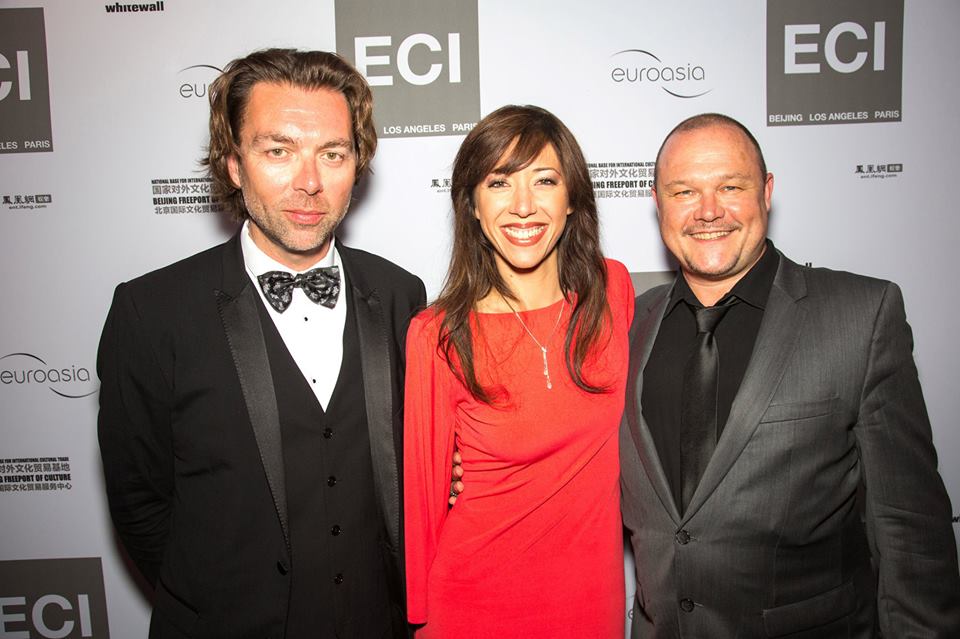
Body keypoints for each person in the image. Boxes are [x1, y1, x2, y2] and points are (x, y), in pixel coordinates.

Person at [97, 48, 425, 638]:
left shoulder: (401, 295)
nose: (308, 182)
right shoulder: (152, 312)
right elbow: (140, 505)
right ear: (233, 163)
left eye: (332, 153)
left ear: (358, 163)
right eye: (279, 151)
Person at [620, 113, 960, 637]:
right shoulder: (627, 326)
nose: (708, 211)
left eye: (730, 186)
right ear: (658, 202)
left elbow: (911, 532)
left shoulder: (860, 315)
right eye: (684, 191)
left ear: (767, 192)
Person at [403, 105, 634, 636]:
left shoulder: (613, 291)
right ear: (474, 207)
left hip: (591, 600)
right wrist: (421, 622)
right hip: (474, 601)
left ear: (572, 199)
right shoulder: (438, 334)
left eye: (545, 180)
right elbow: (423, 500)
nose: (524, 206)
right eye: (500, 182)